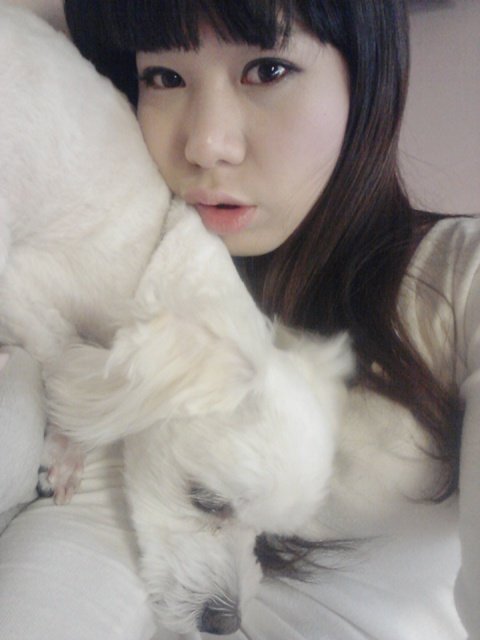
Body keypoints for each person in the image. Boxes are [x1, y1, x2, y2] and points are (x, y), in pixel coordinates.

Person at [0, 0, 477, 638]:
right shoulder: (123, 257)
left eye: (268, 69)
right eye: (164, 77)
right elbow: (77, 546)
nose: (205, 145)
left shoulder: (459, 279)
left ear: (366, 77)